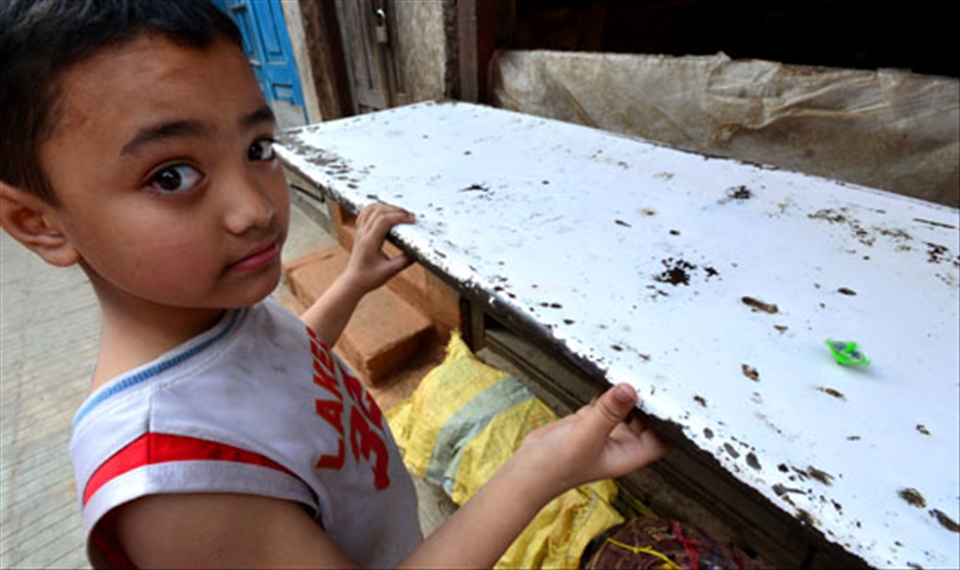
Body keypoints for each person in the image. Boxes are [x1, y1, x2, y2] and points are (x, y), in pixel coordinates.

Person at [0, 0, 669, 567]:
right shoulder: (179, 488)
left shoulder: (205, 316)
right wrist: (539, 468)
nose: (255, 209)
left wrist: (352, 283)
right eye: (171, 176)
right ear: (40, 224)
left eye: (258, 148)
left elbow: (274, 373)